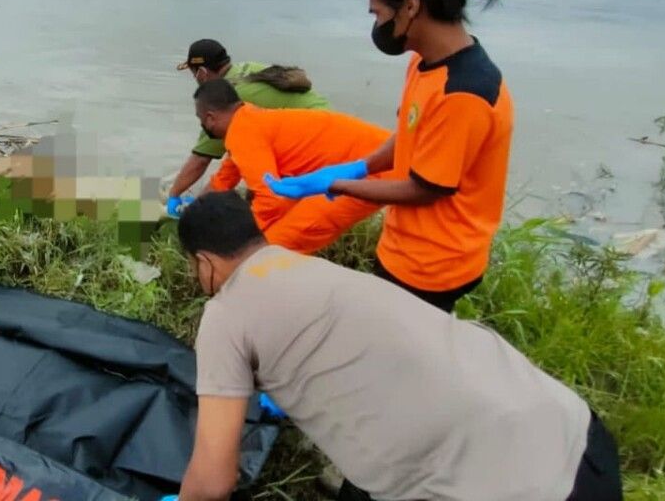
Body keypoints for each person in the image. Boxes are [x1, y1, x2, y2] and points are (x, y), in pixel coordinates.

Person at [166, 191, 621, 501]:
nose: (195, 279)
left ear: (204, 260)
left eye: (192, 268)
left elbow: (213, 479)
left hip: (510, 486)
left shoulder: (226, 313)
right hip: (577, 434)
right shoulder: (306, 266)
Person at [266, 0, 513, 313]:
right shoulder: (426, 64)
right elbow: (412, 137)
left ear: (411, 7)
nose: (377, 25)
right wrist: (362, 166)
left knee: (396, 359)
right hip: (406, 247)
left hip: (434, 264)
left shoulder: (464, 92)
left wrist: (339, 185)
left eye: (378, 13)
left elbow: (426, 189)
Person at [190, 79, 386, 253]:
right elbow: (224, 179)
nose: (203, 126)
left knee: (267, 249)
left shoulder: (243, 133)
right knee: (269, 237)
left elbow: (271, 201)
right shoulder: (247, 119)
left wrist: (236, 237)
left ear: (210, 118)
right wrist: (192, 213)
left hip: (372, 169)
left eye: (201, 120)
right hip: (375, 157)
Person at [167, 39, 328, 211]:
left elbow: (201, 159)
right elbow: (232, 165)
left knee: (262, 198)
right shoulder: (247, 69)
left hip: (312, 142)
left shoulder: (225, 99)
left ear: (202, 73)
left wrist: (173, 196)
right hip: (326, 122)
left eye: (193, 74)